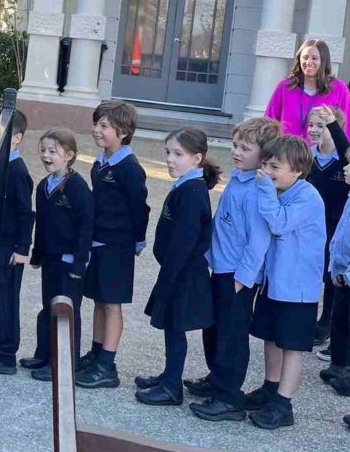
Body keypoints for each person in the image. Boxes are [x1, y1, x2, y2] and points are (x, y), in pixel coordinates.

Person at [187, 116, 278, 422]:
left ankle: (230, 397)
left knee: (232, 333)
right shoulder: (239, 179)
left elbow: (259, 239)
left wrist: (245, 277)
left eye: (245, 148)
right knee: (213, 327)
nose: (237, 152)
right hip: (221, 267)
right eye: (235, 145)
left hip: (239, 275)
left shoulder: (257, 190)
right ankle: (217, 378)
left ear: (263, 156)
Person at [244, 134, 326, 430]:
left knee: (292, 345)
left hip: (297, 288)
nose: (266, 171)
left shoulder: (307, 197)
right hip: (274, 283)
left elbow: (278, 222)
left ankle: (283, 403)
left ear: (298, 170)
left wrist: (264, 188)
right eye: (265, 164)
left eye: (275, 166)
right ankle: (270, 386)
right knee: (271, 337)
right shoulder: (277, 190)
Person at [136, 128, 219, 408]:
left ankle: (172, 387)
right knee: (171, 327)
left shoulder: (193, 193)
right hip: (175, 270)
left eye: (178, 154)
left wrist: (169, 276)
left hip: (183, 273)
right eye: (168, 153)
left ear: (197, 158)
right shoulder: (186, 185)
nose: (170, 160)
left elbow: (185, 241)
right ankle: (168, 375)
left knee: (174, 327)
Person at [76, 100, 149, 390]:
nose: (97, 130)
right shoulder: (101, 160)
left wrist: (137, 239)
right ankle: (96, 352)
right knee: (98, 299)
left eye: (104, 126)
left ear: (123, 131)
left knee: (112, 302)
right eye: (97, 123)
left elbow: (139, 207)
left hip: (117, 243)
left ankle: (108, 363)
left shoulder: (129, 168)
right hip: (98, 240)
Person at [21, 128, 92, 382]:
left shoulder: (77, 188)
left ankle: (63, 362)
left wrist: (79, 262)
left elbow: (85, 227)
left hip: (69, 261)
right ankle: (44, 353)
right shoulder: (43, 187)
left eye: (53, 151)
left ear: (70, 155)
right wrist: (37, 254)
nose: (46, 156)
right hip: (50, 258)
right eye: (43, 150)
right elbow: (42, 223)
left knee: (66, 311)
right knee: (47, 307)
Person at [0, 109, 35, 375]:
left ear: (17, 139)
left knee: (5, 302)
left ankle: (5, 356)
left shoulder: (17, 171)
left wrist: (21, 248)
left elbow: (26, 213)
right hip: (0, 244)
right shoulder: (2, 164)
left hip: (10, 248)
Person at [305, 105, 350, 350]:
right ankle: (309, 319)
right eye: (311, 125)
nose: (313, 130)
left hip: (335, 225)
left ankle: (327, 322)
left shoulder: (343, 161)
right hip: (311, 228)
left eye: (320, 126)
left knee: (333, 275)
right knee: (312, 270)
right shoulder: (307, 157)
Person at [264, 38, 350, 140]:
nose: (308, 62)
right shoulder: (285, 86)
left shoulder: (339, 89)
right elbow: (269, 121)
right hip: (285, 152)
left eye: (314, 58)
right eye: (305, 57)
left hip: (321, 154)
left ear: (323, 61)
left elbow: (347, 128)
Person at [321, 150, 350, 395]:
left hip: (348, 274)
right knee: (339, 321)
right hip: (341, 270)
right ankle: (338, 366)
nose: (345, 169)